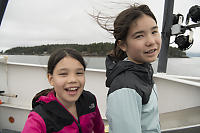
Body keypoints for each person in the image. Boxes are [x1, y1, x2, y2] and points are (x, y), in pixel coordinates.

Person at [93, 4, 161, 133]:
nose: (151, 41)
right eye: (139, 36)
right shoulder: (125, 88)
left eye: (154, 32)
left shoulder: (142, 70)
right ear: (123, 45)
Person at [22, 48, 105, 133]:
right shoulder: (39, 118)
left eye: (79, 73)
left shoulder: (89, 100)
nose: (73, 79)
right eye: (63, 74)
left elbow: (99, 129)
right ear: (51, 79)